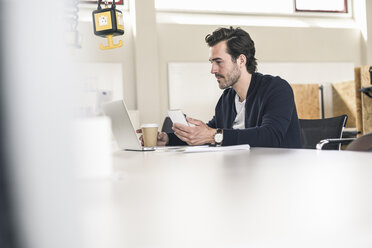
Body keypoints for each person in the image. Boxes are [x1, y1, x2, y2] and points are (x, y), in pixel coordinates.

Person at [138, 26, 301, 148]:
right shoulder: (227, 98)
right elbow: (210, 131)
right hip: (244, 175)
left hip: (278, 177)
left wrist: (212, 136)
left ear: (241, 60)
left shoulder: (276, 89)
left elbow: (271, 136)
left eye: (218, 62)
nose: (212, 70)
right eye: (211, 63)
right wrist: (167, 139)